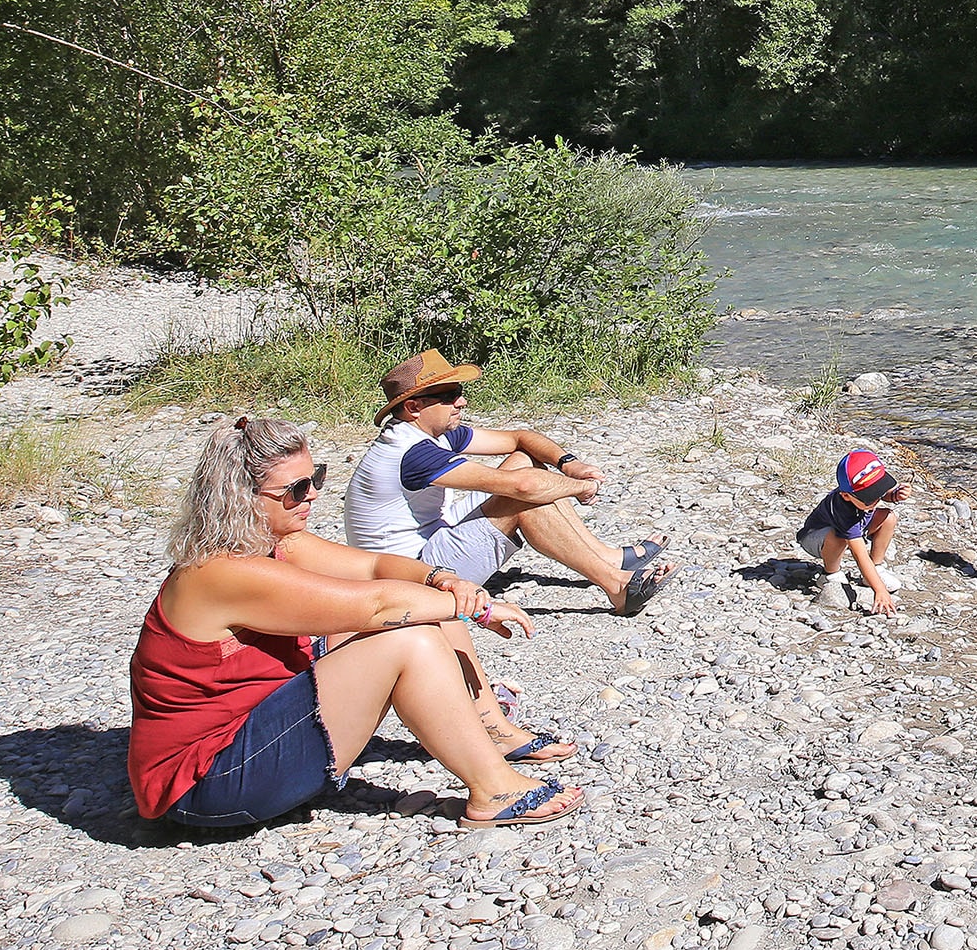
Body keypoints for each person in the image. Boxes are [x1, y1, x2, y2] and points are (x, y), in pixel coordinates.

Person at [129, 414, 589, 832]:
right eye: (295, 489)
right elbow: (376, 606)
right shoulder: (218, 574)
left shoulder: (276, 542)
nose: (312, 495)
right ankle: (494, 788)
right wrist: (478, 608)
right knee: (410, 635)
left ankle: (490, 730)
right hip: (209, 785)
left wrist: (443, 579)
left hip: (253, 734)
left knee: (431, 605)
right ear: (241, 498)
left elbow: (373, 568)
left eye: (317, 479)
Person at [348, 351, 672, 617]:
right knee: (520, 496)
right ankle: (616, 585)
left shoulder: (430, 432)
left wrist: (569, 464)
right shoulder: (411, 453)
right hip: (411, 577)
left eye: (459, 392)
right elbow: (521, 488)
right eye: (448, 396)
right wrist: (579, 487)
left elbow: (520, 438)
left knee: (523, 461)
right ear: (413, 407)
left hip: (431, 539)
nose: (461, 402)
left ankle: (607, 556)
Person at [796, 448, 913, 613]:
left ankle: (876, 567)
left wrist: (895, 495)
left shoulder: (860, 497)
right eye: (869, 498)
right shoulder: (843, 511)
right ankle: (829, 574)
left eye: (877, 492)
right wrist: (879, 590)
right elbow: (859, 554)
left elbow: (883, 494)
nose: (875, 500)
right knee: (838, 538)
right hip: (814, 538)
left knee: (888, 517)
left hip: (858, 525)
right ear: (846, 496)